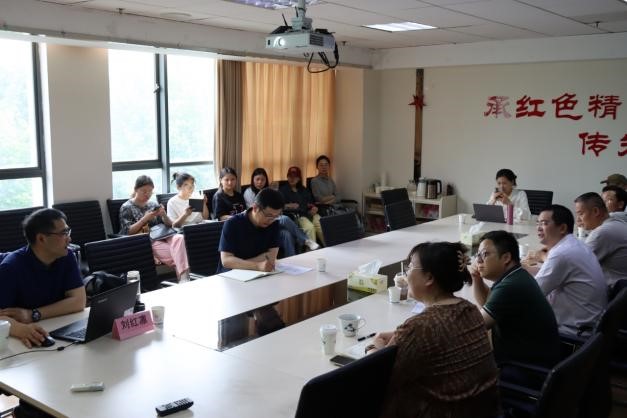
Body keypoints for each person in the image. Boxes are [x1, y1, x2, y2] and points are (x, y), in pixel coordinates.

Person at [368, 242, 499, 418]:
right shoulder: (470, 309)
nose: (406, 273)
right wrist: (403, 336)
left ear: (429, 278)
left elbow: (380, 378)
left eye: (410, 267)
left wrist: (374, 348)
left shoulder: (419, 327)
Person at [469, 230, 560, 367]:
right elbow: (488, 303)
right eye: (478, 255)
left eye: (485, 254)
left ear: (506, 258)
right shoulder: (517, 275)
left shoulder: (510, 286)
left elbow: (474, 328)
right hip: (538, 360)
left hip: (526, 369)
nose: (478, 260)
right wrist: (476, 278)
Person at [0, 208, 86, 348]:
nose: (69, 238)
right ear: (41, 238)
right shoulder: (10, 267)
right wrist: (21, 330)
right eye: (63, 233)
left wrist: (33, 314)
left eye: (68, 232)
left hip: (55, 328)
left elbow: (79, 301)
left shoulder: (66, 256)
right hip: (21, 345)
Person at [528, 204, 607, 337]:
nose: (539, 228)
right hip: (591, 324)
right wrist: (526, 269)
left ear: (562, 228)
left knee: (509, 317)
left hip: (573, 333)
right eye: (538, 223)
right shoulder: (574, 244)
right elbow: (552, 275)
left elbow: (532, 294)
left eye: (544, 223)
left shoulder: (561, 254)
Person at [218, 188, 286, 335]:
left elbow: (271, 257)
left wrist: (240, 263)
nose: (271, 220)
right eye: (268, 215)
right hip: (232, 283)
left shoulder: (274, 224)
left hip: (259, 281)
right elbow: (227, 261)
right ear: (255, 207)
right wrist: (257, 265)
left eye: (276, 216)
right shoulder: (233, 224)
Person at [119, 175, 189, 281]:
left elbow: (169, 225)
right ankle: (185, 280)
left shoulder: (153, 204)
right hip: (148, 239)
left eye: (150, 191)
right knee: (180, 256)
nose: (147, 194)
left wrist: (164, 214)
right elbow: (127, 231)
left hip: (163, 234)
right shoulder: (126, 207)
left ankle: (184, 281)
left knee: (179, 238)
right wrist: (145, 219)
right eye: (144, 191)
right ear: (136, 189)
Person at [244, 167, 319, 255]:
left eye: (262, 180)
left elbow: (277, 206)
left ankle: (291, 259)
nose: (260, 182)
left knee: (287, 234)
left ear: (266, 180)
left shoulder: (269, 191)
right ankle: (306, 240)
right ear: (252, 180)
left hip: (272, 220)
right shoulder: (249, 192)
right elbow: (256, 211)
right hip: (259, 221)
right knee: (285, 219)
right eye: (257, 179)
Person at [574, 192, 627, 290]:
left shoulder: (602, 233)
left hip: (617, 292)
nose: (578, 219)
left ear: (595, 211)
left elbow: (574, 265)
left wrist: (545, 255)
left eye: (580, 214)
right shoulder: (616, 221)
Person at [279, 166, 324, 245]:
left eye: (295, 177)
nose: (292, 179)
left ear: (299, 178)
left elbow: (311, 202)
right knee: (310, 228)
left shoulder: (303, 189)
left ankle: (329, 247)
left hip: (310, 213)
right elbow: (278, 206)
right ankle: (311, 251)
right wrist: (288, 205)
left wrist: (314, 207)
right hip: (298, 215)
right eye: (290, 176)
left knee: (322, 225)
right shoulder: (283, 190)